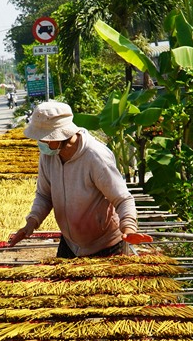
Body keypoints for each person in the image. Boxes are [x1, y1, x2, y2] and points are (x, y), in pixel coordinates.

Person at [8, 100, 152, 258]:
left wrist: (129, 229)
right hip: (70, 243)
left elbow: (122, 198)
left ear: (62, 136)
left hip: (104, 244)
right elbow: (44, 195)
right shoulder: (49, 155)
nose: (40, 143)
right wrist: (31, 222)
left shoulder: (95, 157)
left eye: (45, 138)